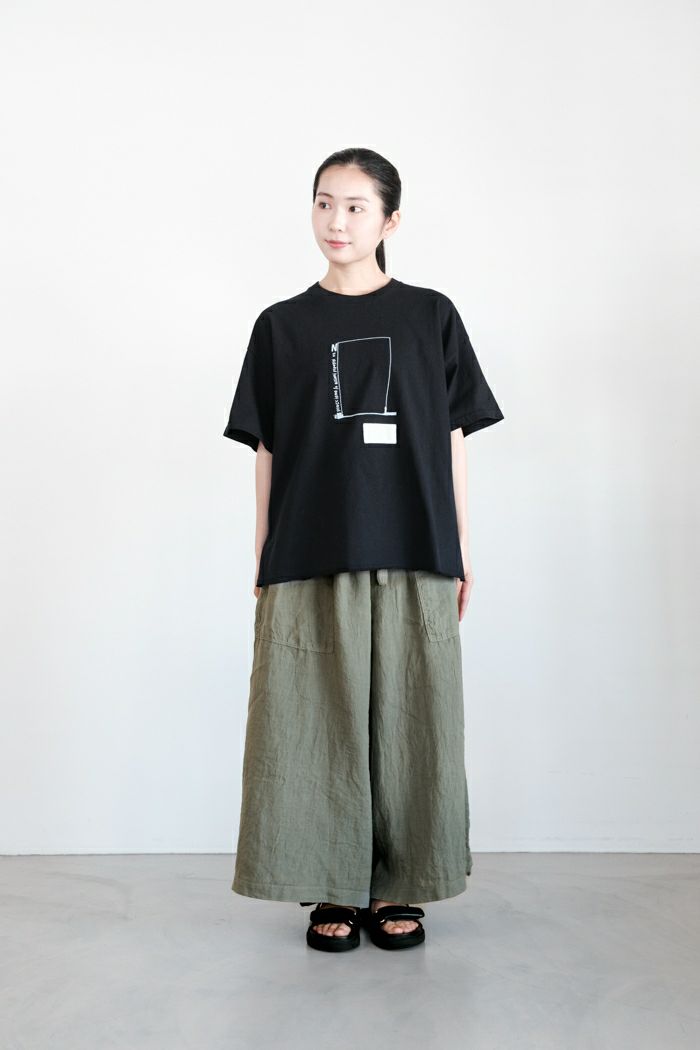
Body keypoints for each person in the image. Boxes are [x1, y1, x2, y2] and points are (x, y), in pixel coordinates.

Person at [222, 147, 504, 952]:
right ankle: (330, 885)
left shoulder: (430, 316)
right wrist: (262, 547)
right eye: (324, 203)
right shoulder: (281, 326)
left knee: (416, 717)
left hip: (415, 543)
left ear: (390, 220)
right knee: (310, 719)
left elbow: (451, 437)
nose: (336, 221)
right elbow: (267, 446)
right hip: (311, 546)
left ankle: (401, 883)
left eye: (354, 206)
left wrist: (461, 545)